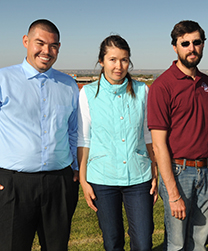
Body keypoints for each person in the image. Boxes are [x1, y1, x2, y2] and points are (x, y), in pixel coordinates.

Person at [0, 19, 79, 250]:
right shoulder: (3, 80)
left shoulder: (68, 84)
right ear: (26, 42)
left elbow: (73, 131)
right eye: (40, 43)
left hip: (59, 183)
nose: (47, 51)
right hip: (13, 183)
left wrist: (75, 168)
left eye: (53, 46)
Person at [78, 35, 158, 251]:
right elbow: (84, 140)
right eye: (112, 59)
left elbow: (148, 135)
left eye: (124, 60)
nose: (118, 66)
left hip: (139, 177)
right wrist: (84, 181)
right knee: (112, 242)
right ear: (101, 61)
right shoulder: (86, 94)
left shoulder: (143, 91)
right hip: (102, 179)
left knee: (143, 242)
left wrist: (154, 170)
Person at [148, 20, 208, 250]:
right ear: (175, 47)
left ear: (203, 45)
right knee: (177, 243)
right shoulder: (162, 86)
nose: (191, 48)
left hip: (206, 171)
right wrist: (173, 192)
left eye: (196, 42)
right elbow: (158, 146)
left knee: (199, 242)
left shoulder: (206, 83)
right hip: (179, 172)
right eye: (185, 43)